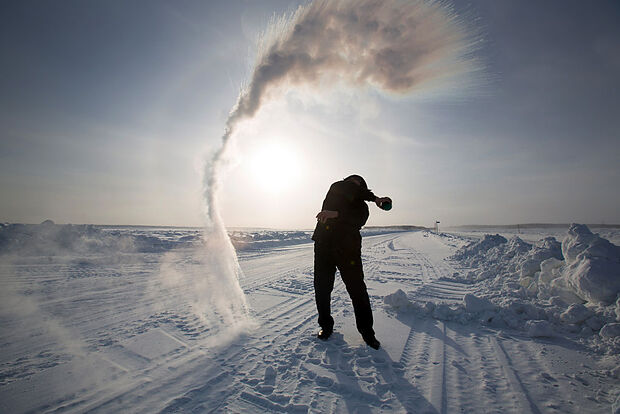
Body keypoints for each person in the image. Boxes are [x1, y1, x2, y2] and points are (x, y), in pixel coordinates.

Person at [312, 174, 391, 349]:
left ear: (362, 189)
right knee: (322, 288)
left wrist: (336, 214)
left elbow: (356, 220)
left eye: (357, 184)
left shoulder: (362, 208)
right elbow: (346, 188)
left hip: (348, 250)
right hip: (324, 245)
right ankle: (326, 327)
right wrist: (375, 197)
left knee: (357, 290)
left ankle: (367, 333)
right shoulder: (335, 189)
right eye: (349, 182)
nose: (351, 186)